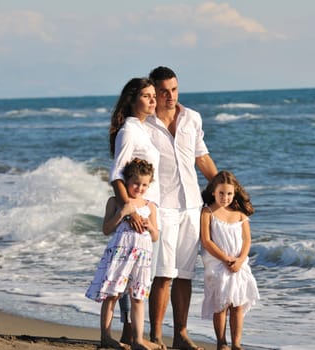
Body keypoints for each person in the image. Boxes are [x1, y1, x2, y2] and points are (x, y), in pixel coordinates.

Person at [145, 66, 218, 350]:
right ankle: (154, 336)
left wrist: (226, 186)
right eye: (163, 91)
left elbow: (202, 157)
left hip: (191, 207)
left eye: (174, 89)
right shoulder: (144, 124)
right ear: (153, 91)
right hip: (161, 207)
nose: (170, 96)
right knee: (163, 274)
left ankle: (180, 335)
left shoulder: (192, 118)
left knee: (185, 275)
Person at [96, 77, 161, 349]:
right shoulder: (128, 131)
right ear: (132, 100)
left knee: (138, 284)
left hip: (146, 216)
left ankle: (134, 337)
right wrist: (130, 210)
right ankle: (116, 336)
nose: (152, 100)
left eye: (153, 95)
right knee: (119, 284)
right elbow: (116, 174)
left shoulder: (144, 129)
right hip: (134, 215)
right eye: (146, 96)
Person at [85, 158, 159, 350]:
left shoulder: (150, 206)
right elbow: (106, 229)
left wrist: (150, 226)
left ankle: (138, 339)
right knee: (112, 294)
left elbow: (156, 236)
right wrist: (123, 212)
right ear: (125, 181)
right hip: (121, 253)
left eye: (144, 184)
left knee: (138, 297)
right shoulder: (115, 202)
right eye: (136, 183)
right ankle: (106, 336)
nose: (140, 188)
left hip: (142, 256)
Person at [199, 171, 259, 350]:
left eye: (229, 194)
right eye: (221, 193)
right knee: (221, 305)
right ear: (213, 192)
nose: (225, 197)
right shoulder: (207, 212)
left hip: (238, 265)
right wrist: (225, 259)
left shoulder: (240, 214)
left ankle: (236, 343)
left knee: (237, 305)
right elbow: (206, 240)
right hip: (218, 264)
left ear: (235, 193)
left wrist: (240, 260)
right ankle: (221, 342)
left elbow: (247, 240)